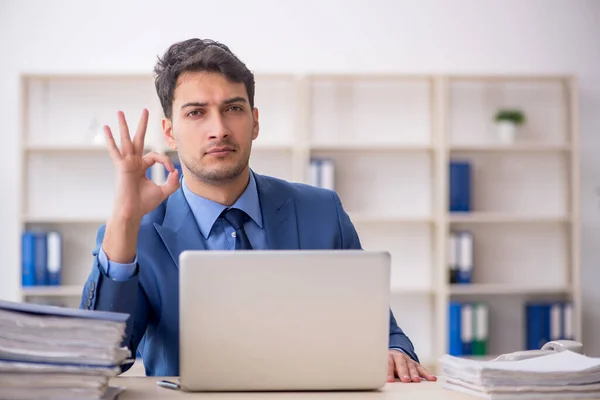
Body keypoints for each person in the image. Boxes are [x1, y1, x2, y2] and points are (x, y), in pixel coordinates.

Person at [79, 38, 436, 384]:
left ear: (255, 122)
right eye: (196, 113)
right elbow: (97, 363)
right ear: (170, 134)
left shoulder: (322, 211)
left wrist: (392, 350)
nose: (218, 130)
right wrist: (125, 219)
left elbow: (381, 331)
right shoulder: (134, 233)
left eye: (233, 109)